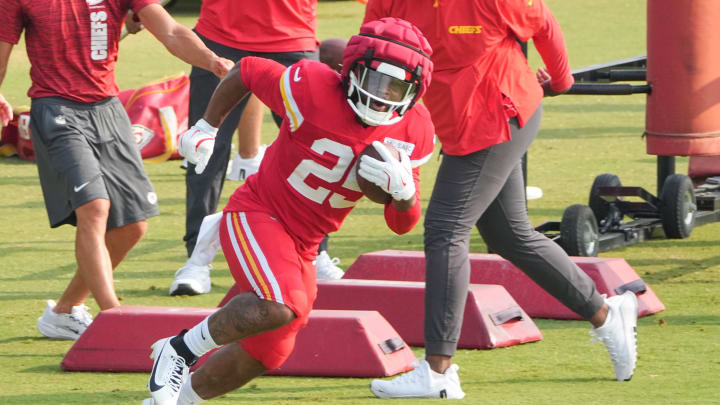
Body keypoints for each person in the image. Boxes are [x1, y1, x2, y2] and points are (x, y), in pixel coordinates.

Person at [142, 17, 435, 405]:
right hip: (259, 212)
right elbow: (246, 70)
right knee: (283, 305)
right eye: (375, 81)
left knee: (271, 350)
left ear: (414, 91)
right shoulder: (313, 88)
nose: (383, 97)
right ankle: (179, 349)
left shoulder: (413, 131)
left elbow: (403, 224)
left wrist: (404, 194)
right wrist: (206, 126)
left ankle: (180, 401)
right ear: (351, 69)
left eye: (396, 87)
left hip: (305, 244)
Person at [363, 0, 639, 399]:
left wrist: (561, 82)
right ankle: (606, 312)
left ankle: (438, 371)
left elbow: (543, 21)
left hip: (501, 115)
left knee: (445, 231)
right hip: (459, 125)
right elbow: (374, 47)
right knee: (509, 234)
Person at [0, 0, 234, 340]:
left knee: (132, 226)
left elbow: (170, 30)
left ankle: (64, 311)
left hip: (108, 110)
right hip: (56, 109)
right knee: (95, 208)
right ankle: (114, 317)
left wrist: (211, 60)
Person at [171, 36, 349, 296]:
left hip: (292, 36)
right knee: (205, 151)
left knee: (321, 146)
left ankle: (318, 253)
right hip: (222, 32)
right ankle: (196, 261)